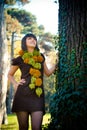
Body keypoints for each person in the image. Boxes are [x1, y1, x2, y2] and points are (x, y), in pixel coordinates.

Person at [8, 33, 57, 130]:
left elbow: (47, 73)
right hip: (22, 96)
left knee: (36, 127)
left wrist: (57, 64)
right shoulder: (20, 59)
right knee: (23, 127)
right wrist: (15, 84)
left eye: (34, 39)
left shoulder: (41, 57)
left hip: (37, 96)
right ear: (24, 42)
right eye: (29, 38)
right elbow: (10, 74)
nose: (33, 40)